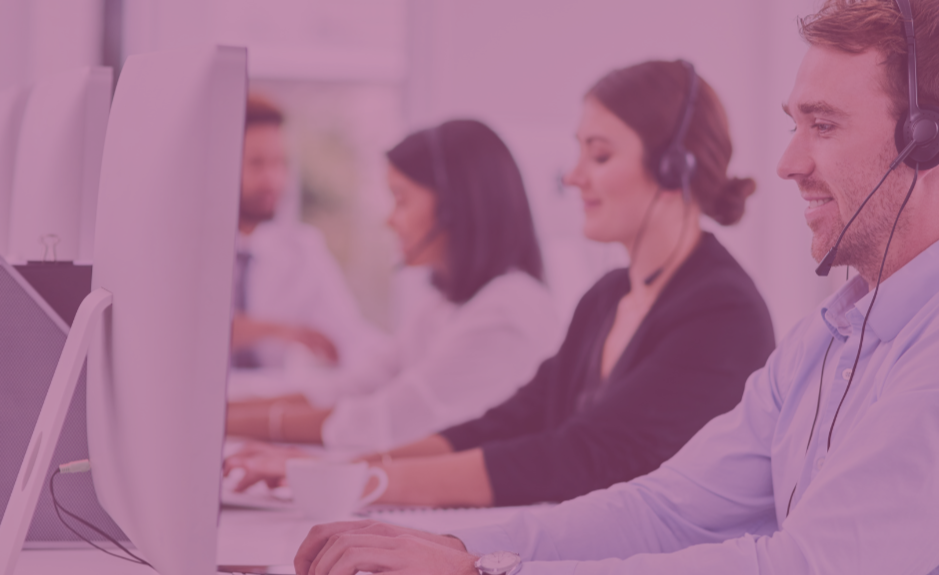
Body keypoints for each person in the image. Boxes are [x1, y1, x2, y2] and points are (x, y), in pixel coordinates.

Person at [290, 0, 939, 573]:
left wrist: (484, 569)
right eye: (795, 125)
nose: (787, 163)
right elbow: (663, 509)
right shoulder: (828, 340)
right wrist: (455, 547)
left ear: (928, 142)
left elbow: (806, 566)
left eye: (822, 125)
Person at [225, 60, 776, 507]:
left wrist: (361, 480)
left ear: (675, 169)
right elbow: (511, 421)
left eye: (600, 154)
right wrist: (338, 471)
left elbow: (577, 456)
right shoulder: (608, 296)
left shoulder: (722, 313)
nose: (573, 175)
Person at [226, 119, 561, 451]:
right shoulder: (444, 305)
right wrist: (224, 412)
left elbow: (385, 420)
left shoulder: (507, 310)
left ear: (453, 206)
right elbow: (356, 386)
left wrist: (228, 423)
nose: (389, 219)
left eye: (401, 200)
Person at [231, 96, 379, 369]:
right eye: (256, 163)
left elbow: (350, 336)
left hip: (271, 395)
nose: (272, 179)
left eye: (280, 163)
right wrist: (274, 330)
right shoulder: (184, 250)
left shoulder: (303, 249)